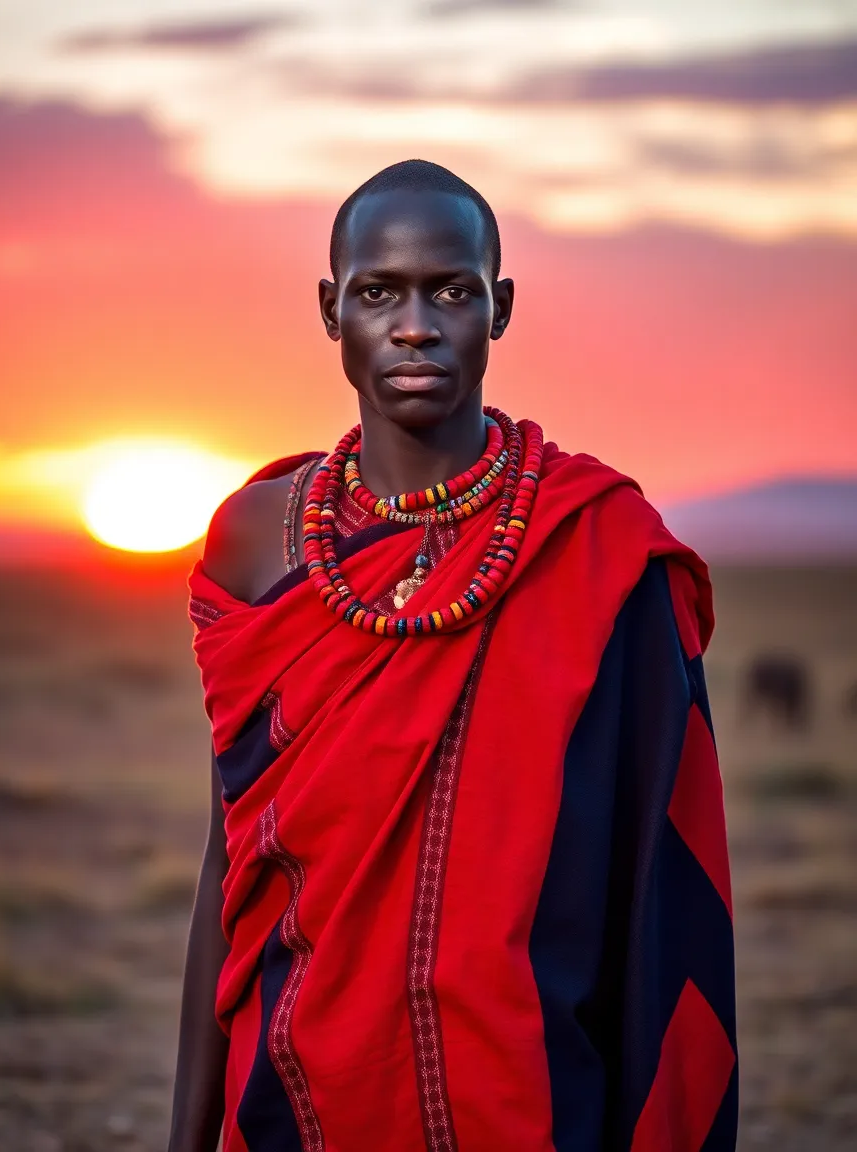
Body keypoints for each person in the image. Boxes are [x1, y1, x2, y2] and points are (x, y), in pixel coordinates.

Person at [169, 160, 737, 1152]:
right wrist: (185, 1136)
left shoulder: (597, 550)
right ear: (328, 309)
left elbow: (657, 892)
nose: (415, 324)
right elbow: (233, 864)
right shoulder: (255, 542)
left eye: (452, 290)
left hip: (530, 1102)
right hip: (294, 1100)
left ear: (499, 308)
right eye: (377, 291)